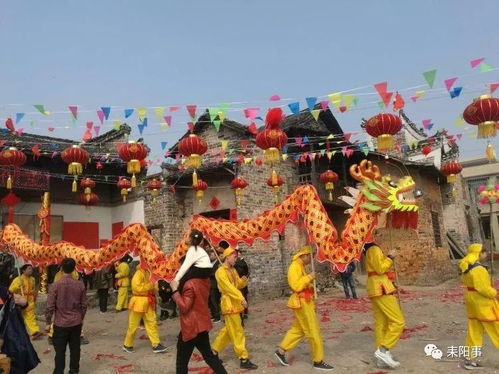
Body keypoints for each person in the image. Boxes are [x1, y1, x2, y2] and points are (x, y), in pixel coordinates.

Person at [275, 245, 334, 371]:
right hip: (301, 303)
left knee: (299, 329)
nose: (311, 259)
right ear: (304, 255)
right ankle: (318, 360)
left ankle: (281, 351)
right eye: (310, 256)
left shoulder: (300, 266)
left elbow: (302, 284)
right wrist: (309, 277)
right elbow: (296, 286)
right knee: (313, 331)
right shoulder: (294, 267)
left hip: (304, 301)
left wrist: (312, 287)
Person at [170, 267, 228, 374]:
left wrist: (175, 290)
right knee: (210, 357)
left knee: (181, 362)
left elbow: (184, 306)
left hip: (191, 327)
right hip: (202, 324)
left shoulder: (189, 284)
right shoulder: (205, 280)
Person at [211, 247, 258, 370]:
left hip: (235, 304)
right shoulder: (220, 271)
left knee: (229, 330)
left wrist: (243, 281)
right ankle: (243, 358)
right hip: (229, 304)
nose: (236, 259)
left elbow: (236, 284)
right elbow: (228, 288)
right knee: (237, 331)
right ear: (227, 257)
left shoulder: (232, 270)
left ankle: (214, 351)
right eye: (234, 257)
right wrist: (241, 297)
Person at [364, 242, 405, 369]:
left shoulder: (369, 250)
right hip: (381, 288)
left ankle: (381, 357)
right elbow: (380, 269)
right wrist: (389, 257)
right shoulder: (374, 249)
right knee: (398, 322)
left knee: (380, 324)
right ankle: (383, 349)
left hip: (375, 288)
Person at [459, 243, 499, 370]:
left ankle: (469, 359)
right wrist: (495, 293)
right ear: (479, 253)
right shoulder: (478, 269)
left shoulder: (466, 267)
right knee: (496, 328)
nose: (486, 255)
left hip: (471, 301)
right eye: (485, 252)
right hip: (483, 302)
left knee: (474, 331)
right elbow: (483, 288)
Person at [45, 258, 87, 374]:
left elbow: (49, 307)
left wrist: (48, 322)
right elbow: (84, 305)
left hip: (60, 323)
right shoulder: (80, 285)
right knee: (75, 349)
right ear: (74, 269)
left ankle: (59, 371)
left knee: (59, 351)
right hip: (76, 322)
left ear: (61, 268)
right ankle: (74, 371)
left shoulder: (55, 286)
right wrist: (81, 318)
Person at [122, 265, 167, 354]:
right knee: (133, 325)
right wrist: (150, 285)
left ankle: (156, 344)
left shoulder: (150, 273)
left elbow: (155, 286)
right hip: (139, 302)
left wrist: (155, 286)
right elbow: (136, 287)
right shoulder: (138, 273)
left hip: (148, 301)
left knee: (152, 323)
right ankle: (127, 344)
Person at [0, 285, 40, 373]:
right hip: (11, 340)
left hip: (9, 340)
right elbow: (23, 303)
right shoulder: (4, 290)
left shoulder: (4, 291)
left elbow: (22, 303)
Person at [48, 269, 88, 345]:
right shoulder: (59, 274)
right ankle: (52, 335)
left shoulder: (75, 273)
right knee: (62, 319)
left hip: (72, 298)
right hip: (63, 299)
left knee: (70, 318)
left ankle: (79, 335)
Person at [8, 265, 42, 340]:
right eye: (29, 269)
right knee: (18, 319)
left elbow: (33, 290)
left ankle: (34, 332)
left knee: (30, 317)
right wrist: (17, 287)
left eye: (31, 269)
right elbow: (10, 290)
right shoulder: (18, 279)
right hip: (20, 301)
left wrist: (34, 297)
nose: (31, 270)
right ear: (23, 270)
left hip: (30, 301)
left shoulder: (32, 279)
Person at [233, 249, 249, 319]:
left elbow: (247, 272)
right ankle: (239, 312)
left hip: (242, 282)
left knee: (243, 297)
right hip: (235, 283)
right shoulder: (232, 264)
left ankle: (245, 312)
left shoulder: (243, 263)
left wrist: (245, 277)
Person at [208, 246, 222, 323]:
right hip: (210, 285)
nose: (211, 256)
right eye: (210, 255)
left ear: (215, 256)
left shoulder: (218, 263)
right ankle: (213, 315)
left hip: (215, 285)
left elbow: (217, 274)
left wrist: (209, 273)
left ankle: (217, 317)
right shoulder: (210, 263)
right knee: (210, 301)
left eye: (212, 255)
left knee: (214, 301)